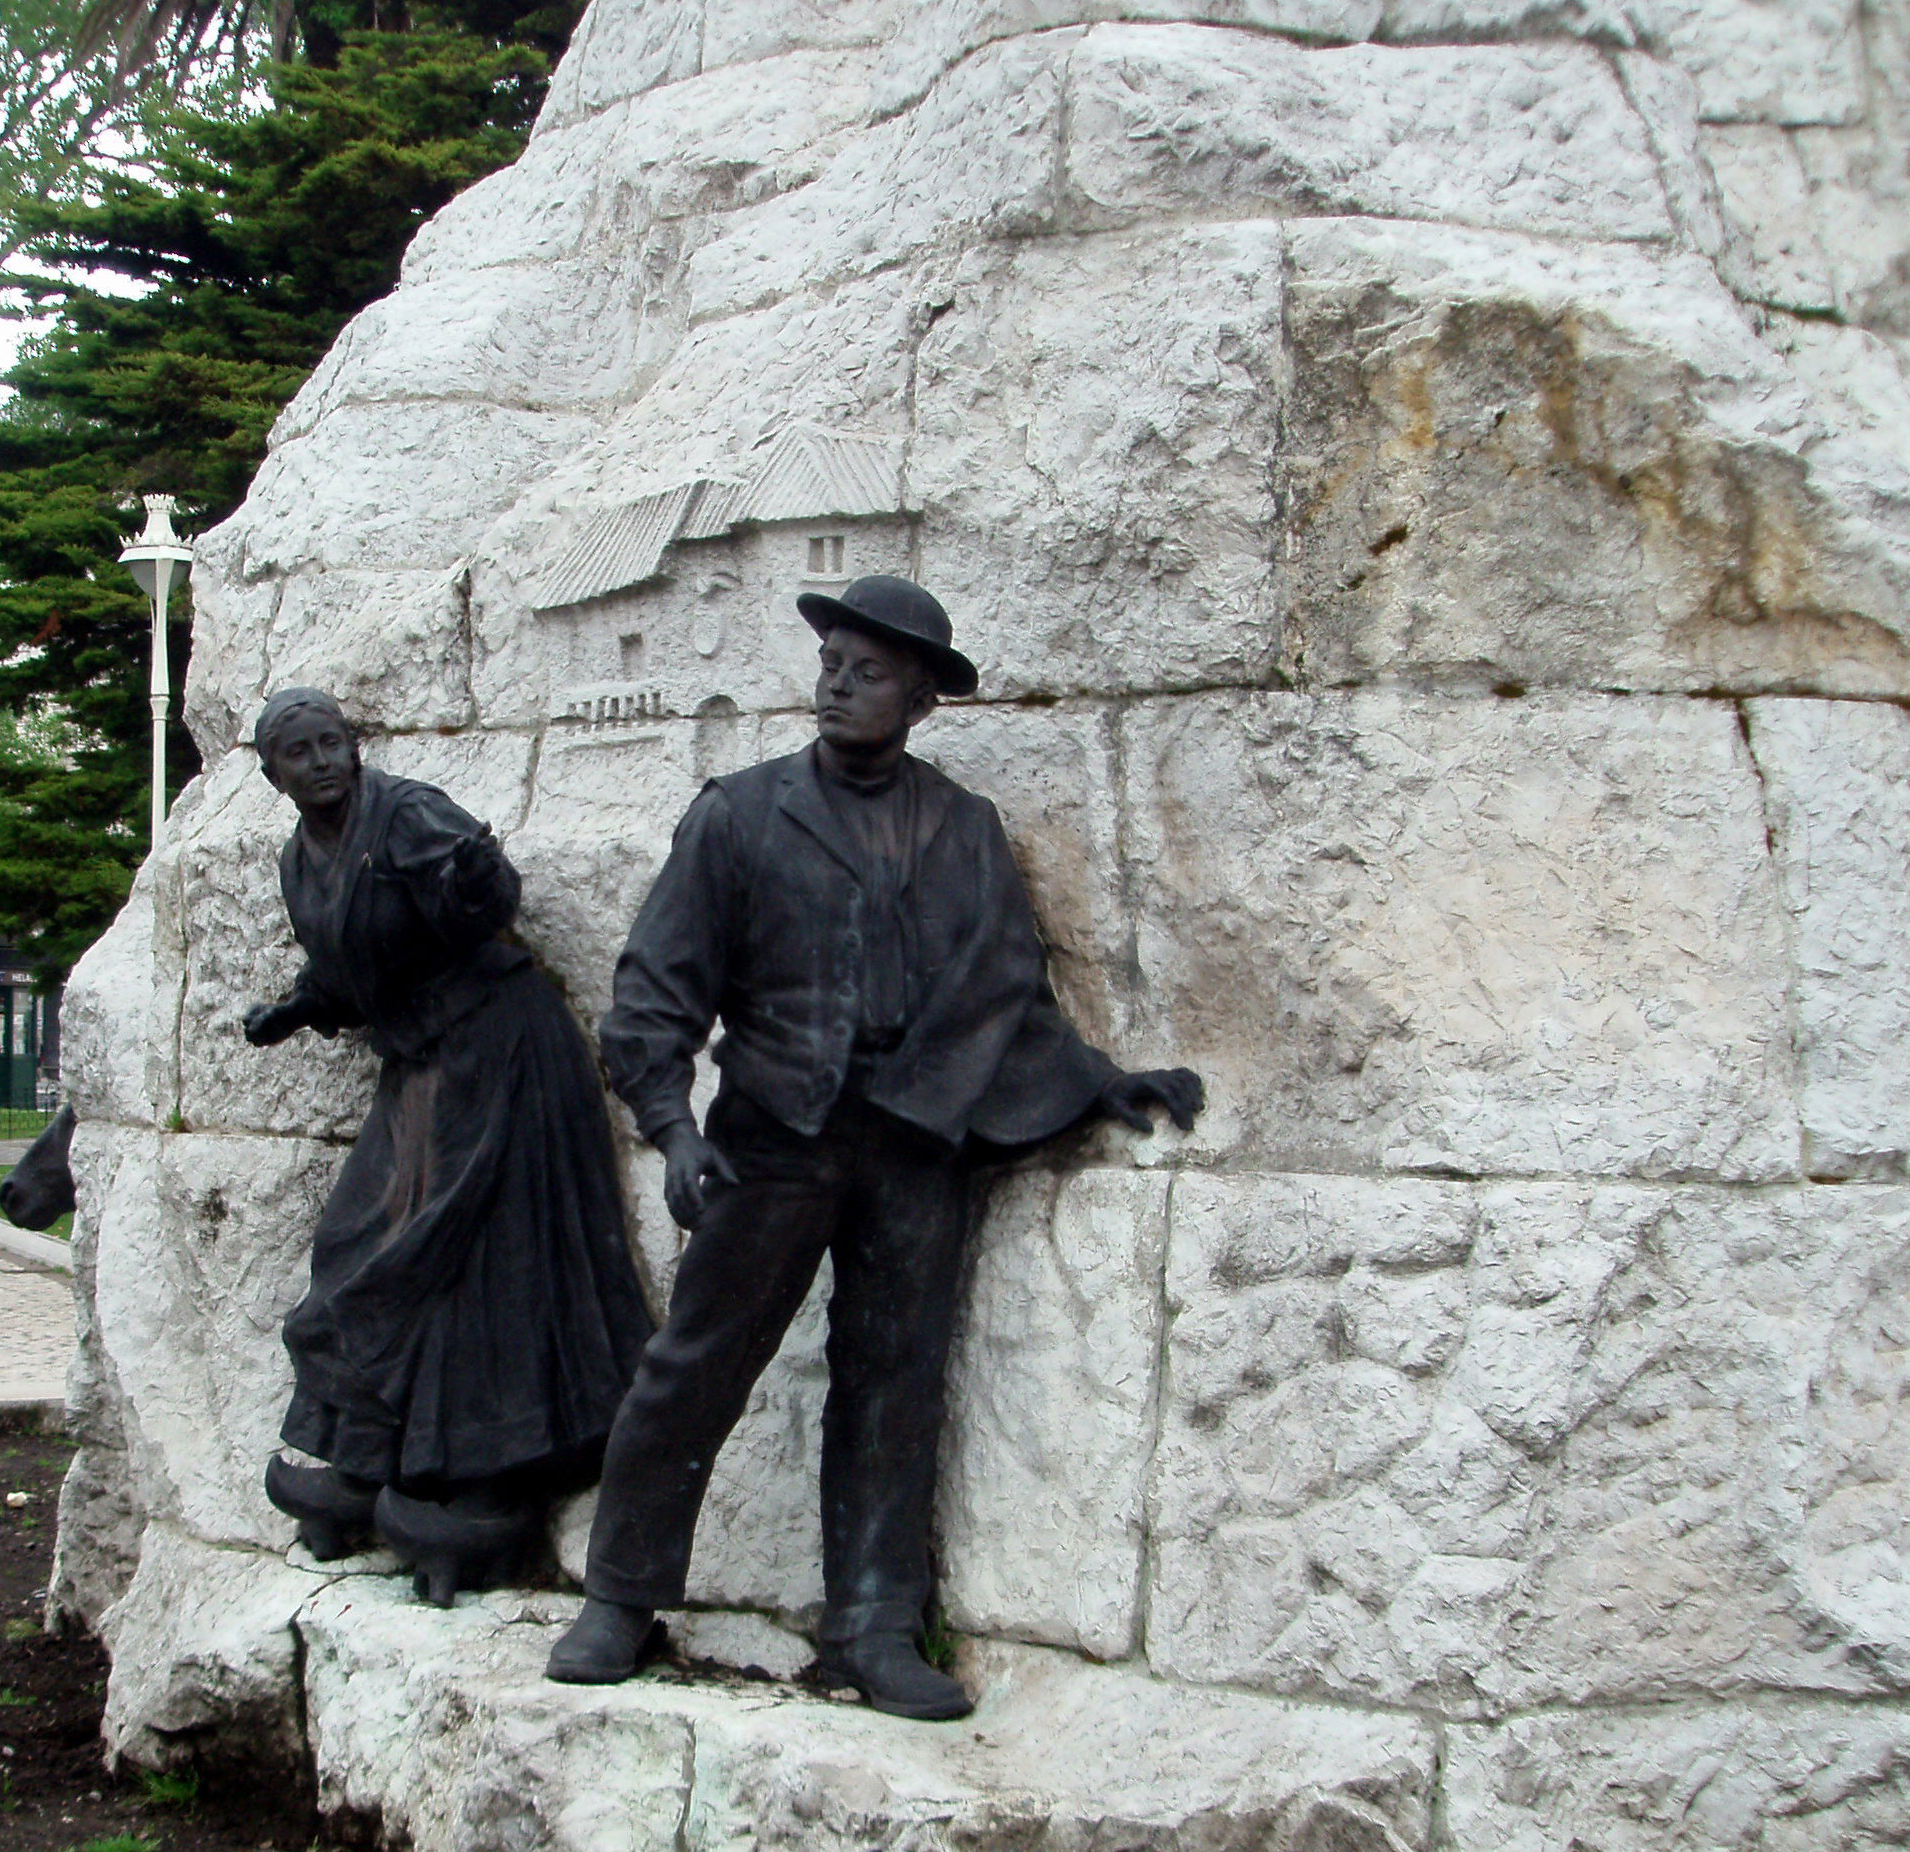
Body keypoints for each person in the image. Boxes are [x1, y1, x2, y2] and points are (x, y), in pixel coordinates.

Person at [548, 575, 1203, 1718]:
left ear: (921, 700)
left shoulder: (963, 828)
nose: (837, 685)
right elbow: (653, 991)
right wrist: (673, 1131)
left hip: (914, 1142)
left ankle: (873, 1625)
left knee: (895, 1385)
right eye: (831, 664)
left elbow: (1008, 988)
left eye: (868, 671)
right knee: (695, 1366)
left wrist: (1102, 1082)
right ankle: (621, 1597)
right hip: (773, 1140)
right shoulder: (740, 814)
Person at [243, 688, 653, 1603]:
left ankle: (485, 1473)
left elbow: (482, 903)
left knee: (475, 1266)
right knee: (358, 1247)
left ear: (356, 746)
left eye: (332, 743)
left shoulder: (410, 812)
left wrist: (472, 879)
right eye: (298, 752)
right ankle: (367, 1456)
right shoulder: (299, 861)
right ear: (271, 775)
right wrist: (300, 1006)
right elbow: (353, 962)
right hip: (421, 1066)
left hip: (497, 1049)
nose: (320, 761)